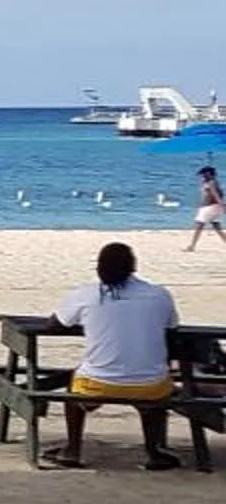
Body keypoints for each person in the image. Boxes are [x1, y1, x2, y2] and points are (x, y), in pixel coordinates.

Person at [46, 241, 183, 470]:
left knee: (74, 391)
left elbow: (54, 324)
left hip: (98, 384)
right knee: (153, 393)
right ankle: (153, 452)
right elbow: (172, 328)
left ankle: (72, 450)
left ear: (99, 268)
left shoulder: (85, 294)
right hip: (151, 385)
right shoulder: (159, 295)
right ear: (133, 267)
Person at [188, 165, 224, 252]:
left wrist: (222, 204)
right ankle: (192, 246)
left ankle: (192, 246)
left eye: (203, 174)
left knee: (199, 225)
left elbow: (215, 194)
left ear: (208, 174)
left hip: (209, 207)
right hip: (214, 207)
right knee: (217, 227)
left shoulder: (211, 182)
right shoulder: (212, 182)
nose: (202, 176)